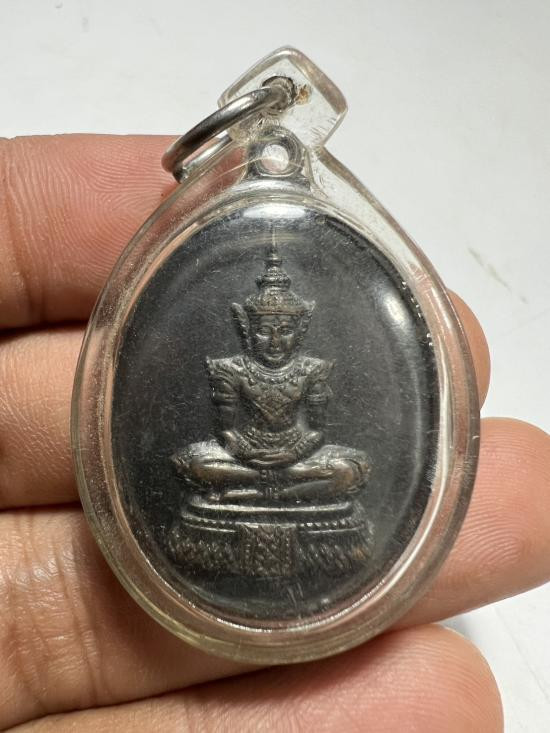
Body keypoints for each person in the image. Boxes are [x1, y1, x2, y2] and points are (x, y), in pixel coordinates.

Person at [0, 134, 548, 731]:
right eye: (264, 328)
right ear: (246, 325)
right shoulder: (229, 368)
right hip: (239, 460)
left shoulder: (313, 369)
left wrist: (288, 458)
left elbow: (317, 431)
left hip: (298, 461)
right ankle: (265, 494)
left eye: (284, 329)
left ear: (300, 327)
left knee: (346, 469)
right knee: (197, 464)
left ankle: (268, 494)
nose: (274, 339)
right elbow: (225, 434)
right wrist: (254, 458)